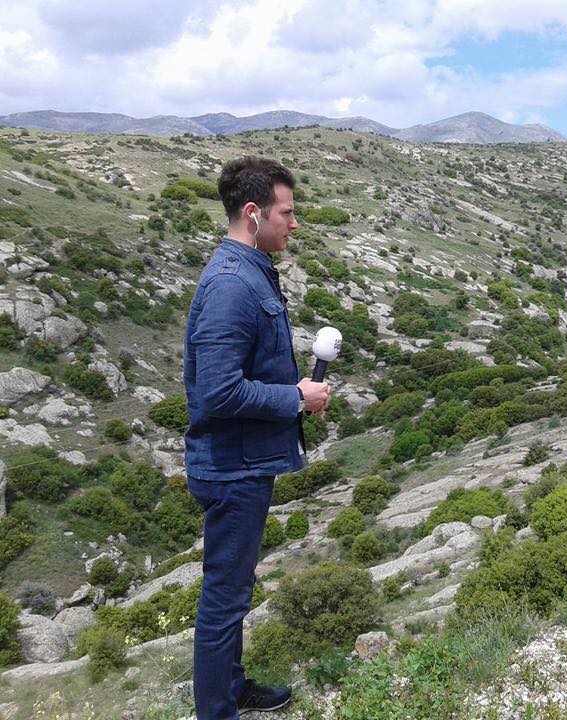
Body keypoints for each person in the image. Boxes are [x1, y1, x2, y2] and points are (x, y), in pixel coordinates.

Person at [183, 156, 330, 719]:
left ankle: (233, 687)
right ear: (253, 213)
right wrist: (296, 398)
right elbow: (218, 392)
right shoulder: (231, 285)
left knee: (234, 589)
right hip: (232, 468)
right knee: (224, 598)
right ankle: (217, 710)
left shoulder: (250, 270)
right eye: (286, 212)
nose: (294, 223)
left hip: (242, 460)